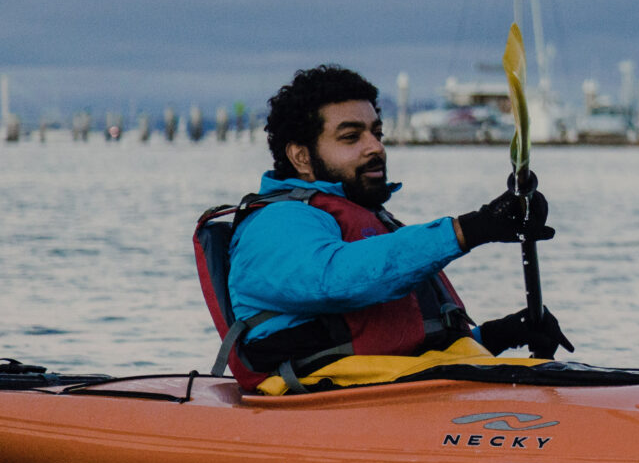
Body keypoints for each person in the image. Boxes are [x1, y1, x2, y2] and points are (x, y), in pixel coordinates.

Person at [204, 65, 567, 391]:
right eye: (351, 137)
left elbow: (399, 353)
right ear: (301, 156)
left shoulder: (368, 219)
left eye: (376, 133)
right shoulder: (275, 223)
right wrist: (472, 229)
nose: (375, 147)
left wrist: (499, 334)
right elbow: (336, 281)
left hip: (393, 392)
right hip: (324, 405)